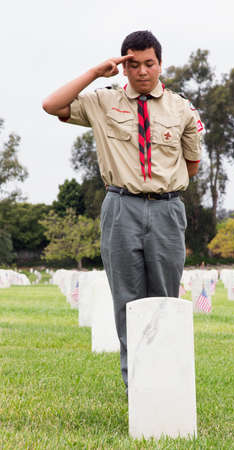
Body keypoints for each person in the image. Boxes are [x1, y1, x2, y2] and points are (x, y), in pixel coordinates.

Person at [43, 30, 203, 391]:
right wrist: (95, 73)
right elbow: (52, 105)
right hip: (120, 208)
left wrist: (159, 187)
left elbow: (191, 165)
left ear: (160, 64)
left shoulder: (181, 109)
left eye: (149, 63)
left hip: (166, 209)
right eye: (133, 64)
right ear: (122, 66)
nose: (142, 71)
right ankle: (138, 386)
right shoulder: (103, 102)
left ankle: (166, 383)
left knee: (165, 298)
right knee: (126, 300)